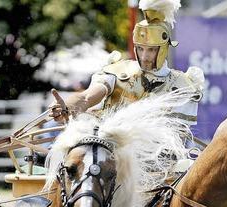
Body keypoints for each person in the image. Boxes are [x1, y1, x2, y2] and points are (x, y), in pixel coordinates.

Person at [51, 0, 204, 133]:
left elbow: (177, 137)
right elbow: (85, 97)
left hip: (156, 160)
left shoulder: (182, 85)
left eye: (151, 50)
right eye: (140, 48)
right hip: (107, 152)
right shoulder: (117, 72)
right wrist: (67, 108)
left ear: (164, 48)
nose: (144, 57)